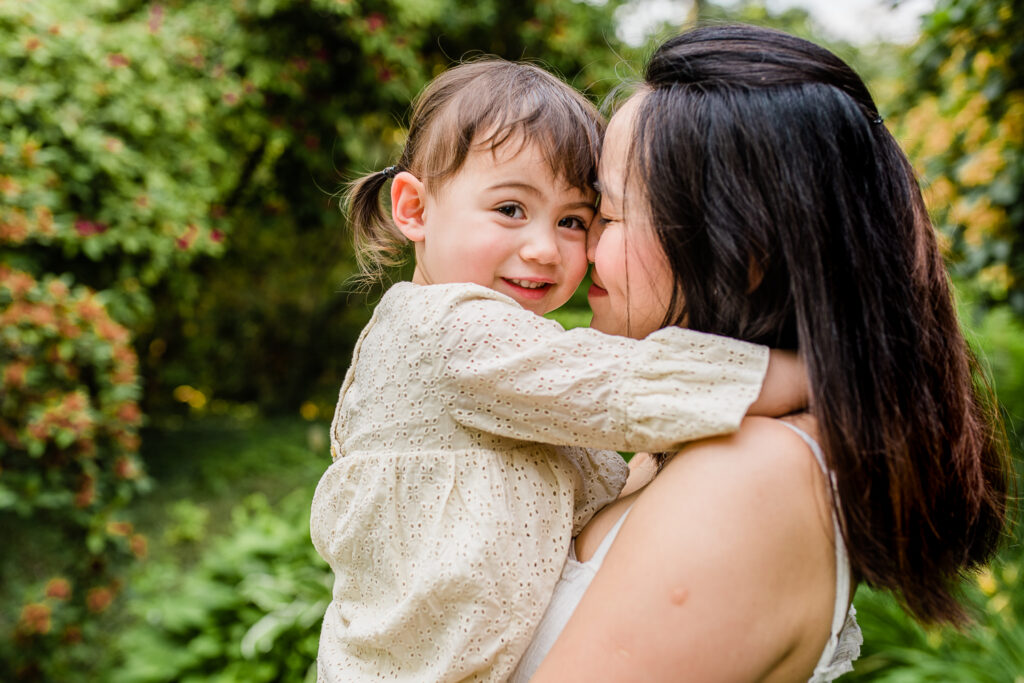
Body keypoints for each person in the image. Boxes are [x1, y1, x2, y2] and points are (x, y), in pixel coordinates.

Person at [514, 25, 1012, 682]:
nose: (581, 250)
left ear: (747, 251)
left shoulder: (750, 473)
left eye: (607, 214)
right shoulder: (689, 442)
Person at [309, 58, 805, 682]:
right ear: (414, 208)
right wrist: (808, 380)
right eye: (511, 209)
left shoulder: (512, 357)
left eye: (574, 220)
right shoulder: (447, 329)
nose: (546, 248)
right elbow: (620, 383)